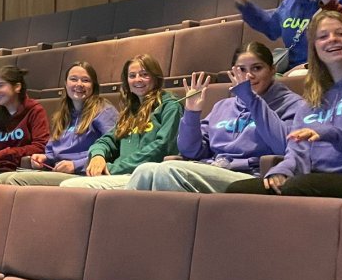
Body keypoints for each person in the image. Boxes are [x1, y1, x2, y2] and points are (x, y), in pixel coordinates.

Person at [226, 11, 342, 198]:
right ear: (315, 48)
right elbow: (297, 149)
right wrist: (282, 170)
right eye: (323, 36)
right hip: (312, 178)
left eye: (341, 34)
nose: (332, 40)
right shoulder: (313, 98)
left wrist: (334, 135)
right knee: (238, 191)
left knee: (297, 186)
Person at [126, 43, 306, 193]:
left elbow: (283, 146)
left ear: (272, 70)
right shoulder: (223, 106)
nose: (249, 76)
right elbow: (191, 151)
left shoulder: (292, 104)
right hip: (213, 168)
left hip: (250, 175)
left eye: (257, 68)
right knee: (145, 170)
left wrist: (252, 101)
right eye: (241, 70)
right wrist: (192, 113)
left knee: (167, 172)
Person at [60, 55, 181, 189]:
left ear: (156, 78)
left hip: (145, 176)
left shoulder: (171, 106)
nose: (138, 80)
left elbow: (162, 148)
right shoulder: (130, 112)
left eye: (144, 74)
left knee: (70, 186)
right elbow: (106, 140)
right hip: (121, 173)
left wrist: (114, 168)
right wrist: (98, 155)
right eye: (132, 75)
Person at [0, 62, 117, 186]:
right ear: (66, 84)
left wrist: (76, 165)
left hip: (81, 173)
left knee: (13, 180)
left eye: (85, 80)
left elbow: (114, 147)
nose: (79, 84)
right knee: (0, 179)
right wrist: (44, 158)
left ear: (93, 85)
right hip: (59, 171)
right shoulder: (64, 114)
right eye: (73, 79)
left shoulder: (104, 110)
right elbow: (54, 149)